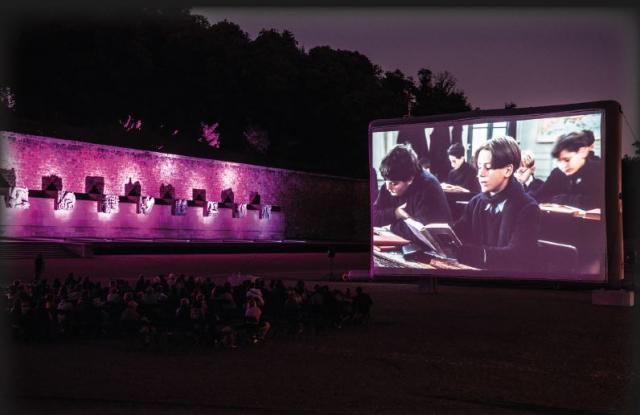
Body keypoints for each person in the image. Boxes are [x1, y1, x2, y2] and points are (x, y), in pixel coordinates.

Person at [453, 136, 541, 271]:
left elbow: (516, 256)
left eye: (488, 167)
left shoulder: (527, 207)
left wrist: (467, 252)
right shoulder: (475, 202)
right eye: (479, 167)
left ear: (508, 170)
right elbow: (457, 235)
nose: (480, 174)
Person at [373, 144, 452, 244]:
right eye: (385, 181)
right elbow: (373, 217)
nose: (388, 187)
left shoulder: (428, 187)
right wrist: (395, 213)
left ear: (410, 179)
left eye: (394, 183)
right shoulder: (391, 179)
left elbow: (423, 234)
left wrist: (390, 226)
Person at [531, 130, 602, 210]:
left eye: (567, 160)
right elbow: (539, 195)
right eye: (559, 161)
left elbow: (598, 201)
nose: (563, 166)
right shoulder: (558, 172)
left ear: (583, 152)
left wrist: (562, 199)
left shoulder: (599, 170)